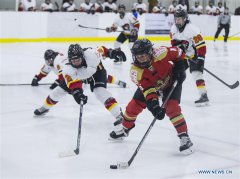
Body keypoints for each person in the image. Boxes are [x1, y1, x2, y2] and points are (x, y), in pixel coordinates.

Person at [109, 39, 194, 154]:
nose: (140, 59)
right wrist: (154, 107)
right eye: (138, 56)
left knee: (171, 107)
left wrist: (180, 66)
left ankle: (184, 136)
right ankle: (125, 128)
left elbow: (178, 52)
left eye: (143, 55)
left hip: (171, 81)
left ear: (150, 53)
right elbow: (148, 90)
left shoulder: (161, 52)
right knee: (133, 106)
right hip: (153, 87)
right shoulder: (136, 72)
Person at [55, 44, 126, 127]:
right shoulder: (67, 68)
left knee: (100, 92)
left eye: (78, 59)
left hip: (97, 71)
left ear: (83, 56)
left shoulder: (92, 54)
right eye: (73, 61)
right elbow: (73, 84)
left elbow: (102, 49)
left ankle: (118, 114)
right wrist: (77, 93)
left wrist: (112, 53)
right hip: (82, 76)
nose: (76, 63)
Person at [31, 49, 127, 89]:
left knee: (96, 79)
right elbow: (44, 71)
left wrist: (59, 82)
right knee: (96, 79)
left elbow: (63, 74)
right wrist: (37, 78)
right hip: (74, 74)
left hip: (77, 71)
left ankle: (117, 81)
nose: (49, 61)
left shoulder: (57, 60)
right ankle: (117, 82)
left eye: (50, 59)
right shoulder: (49, 63)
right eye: (48, 60)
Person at [170, 9, 209, 106]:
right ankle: (169, 94)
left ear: (185, 19)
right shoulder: (173, 28)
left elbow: (201, 45)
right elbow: (173, 43)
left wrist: (201, 58)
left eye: (179, 19)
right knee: (174, 73)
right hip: (183, 56)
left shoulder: (192, 29)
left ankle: (203, 95)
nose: (177, 21)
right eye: (176, 19)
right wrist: (180, 47)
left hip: (195, 54)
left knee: (197, 74)